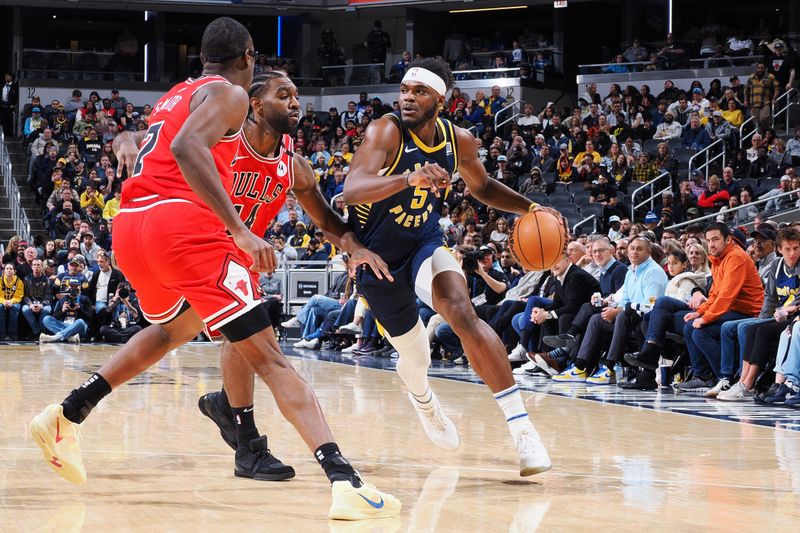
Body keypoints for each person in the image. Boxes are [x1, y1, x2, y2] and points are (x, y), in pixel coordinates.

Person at [29, 18, 399, 521]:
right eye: (283, 93)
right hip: (190, 231)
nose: (294, 103)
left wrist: (353, 244)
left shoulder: (188, 97)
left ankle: (68, 413)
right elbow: (185, 145)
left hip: (136, 229)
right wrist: (240, 230)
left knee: (171, 330)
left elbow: (164, 135)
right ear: (248, 59)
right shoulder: (230, 100)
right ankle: (344, 480)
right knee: (270, 357)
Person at [343, 57, 566, 477]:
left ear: (440, 100)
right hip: (377, 258)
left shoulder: (458, 140)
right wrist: (408, 179)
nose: (408, 97)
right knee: (415, 356)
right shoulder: (385, 131)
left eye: (419, 92)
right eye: (405, 90)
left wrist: (531, 207)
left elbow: (480, 186)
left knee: (461, 310)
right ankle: (424, 400)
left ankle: (522, 429)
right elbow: (351, 190)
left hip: (425, 242)